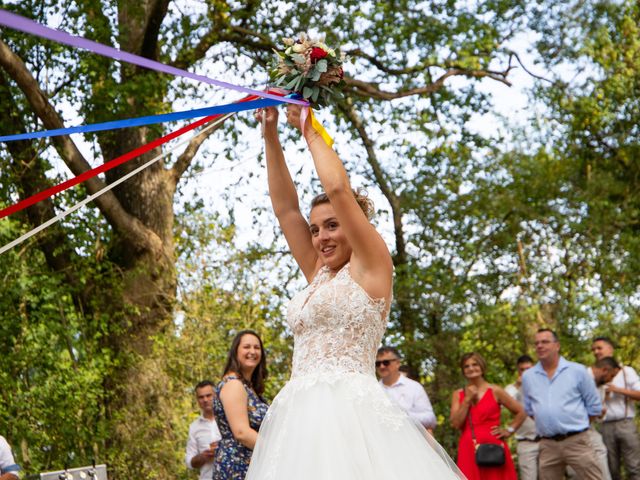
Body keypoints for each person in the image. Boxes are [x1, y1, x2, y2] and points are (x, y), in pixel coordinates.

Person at [245, 105, 463, 479]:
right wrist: (270, 135)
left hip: (352, 415)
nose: (321, 237)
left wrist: (309, 129)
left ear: (354, 224)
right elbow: (285, 209)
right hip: (299, 418)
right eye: (315, 230)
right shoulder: (317, 271)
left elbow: (337, 187)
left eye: (332, 225)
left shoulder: (371, 268)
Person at [521, 328, 603, 479]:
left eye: (545, 342)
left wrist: (576, 425)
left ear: (557, 346)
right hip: (547, 444)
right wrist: (550, 424)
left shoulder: (577, 370)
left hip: (577, 440)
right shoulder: (528, 376)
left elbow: (594, 407)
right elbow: (530, 410)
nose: (539, 346)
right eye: (537, 343)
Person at [450, 352, 525, 480]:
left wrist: (509, 430)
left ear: (482, 367)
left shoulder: (495, 390)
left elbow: (521, 411)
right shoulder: (458, 394)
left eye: (475, 364)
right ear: (463, 371)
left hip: (494, 446)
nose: (471, 368)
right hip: (469, 448)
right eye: (466, 366)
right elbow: (455, 423)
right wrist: (467, 399)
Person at [212, 330, 269, 480]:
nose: (252, 351)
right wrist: (276, 450)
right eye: (247, 347)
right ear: (235, 351)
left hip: (251, 464)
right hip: (237, 466)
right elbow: (241, 432)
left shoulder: (250, 388)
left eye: (257, 348)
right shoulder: (234, 384)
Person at [592, 356, 640, 480]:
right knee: (610, 467)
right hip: (605, 425)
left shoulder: (626, 372)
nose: (596, 352)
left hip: (625, 423)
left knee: (634, 465)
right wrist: (604, 396)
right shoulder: (595, 376)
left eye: (599, 348)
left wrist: (617, 390)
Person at [376, 346, 437, 433]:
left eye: (386, 362)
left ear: (397, 363)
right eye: (377, 363)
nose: (382, 366)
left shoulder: (414, 387)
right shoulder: (373, 389)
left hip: (410, 441)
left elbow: (431, 419)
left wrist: (404, 416)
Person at [504, 355, 539, 480]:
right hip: (526, 442)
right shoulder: (512, 388)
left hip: (547, 441)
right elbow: (505, 405)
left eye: (528, 369)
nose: (525, 372)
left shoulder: (543, 384)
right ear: (518, 371)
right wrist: (517, 386)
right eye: (522, 369)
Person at [185, 380, 222, 480]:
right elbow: (189, 462)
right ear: (197, 400)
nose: (205, 400)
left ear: (216, 395)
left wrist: (222, 448)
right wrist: (203, 456)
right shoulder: (194, 427)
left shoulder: (229, 420)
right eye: (201, 397)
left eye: (209, 395)